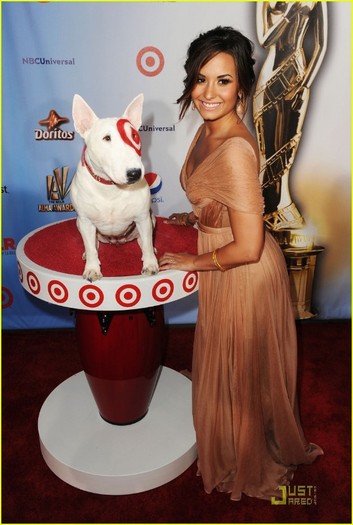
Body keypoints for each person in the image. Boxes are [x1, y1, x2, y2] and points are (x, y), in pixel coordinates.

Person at [159, 26, 323, 501]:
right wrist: (197, 214)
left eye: (223, 81)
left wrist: (192, 258)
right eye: (201, 78)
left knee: (242, 370)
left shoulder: (233, 148)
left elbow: (248, 247)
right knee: (234, 368)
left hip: (242, 274)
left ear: (243, 88)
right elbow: (223, 201)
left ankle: (246, 457)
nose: (209, 92)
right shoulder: (210, 130)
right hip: (225, 263)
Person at [253, 2, 328, 230]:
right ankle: (262, 209)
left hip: (298, 76)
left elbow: (321, 45)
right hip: (271, 76)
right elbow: (265, 40)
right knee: (267, 147)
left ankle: (283, 207)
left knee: (288, 144)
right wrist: (288, 11)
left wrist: (305, 85)